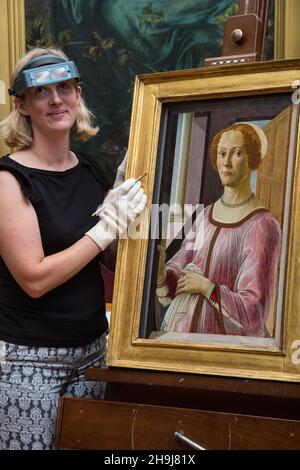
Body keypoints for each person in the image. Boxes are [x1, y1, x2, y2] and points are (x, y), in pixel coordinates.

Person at [0, 47, 146, 450]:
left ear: (78, 94)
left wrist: (134, 229)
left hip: (94, 357)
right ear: (22, 104)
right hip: (28, 363)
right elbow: (34, 278)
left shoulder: (89, 169)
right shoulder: (9, 179)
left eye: (64, 87)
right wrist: (106, 227)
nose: (55, 100)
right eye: (42, 91)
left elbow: (108, 260)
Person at [156, 122, 281, 337]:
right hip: (181, 339)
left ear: (252, 159)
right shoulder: (205, 216)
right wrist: (161, 274)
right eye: (222, 153)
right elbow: (181, 264)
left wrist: (207, 287)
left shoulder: (262, 225)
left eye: (237, 153)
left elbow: (254, 310)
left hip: (226, 349)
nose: (226, 162)